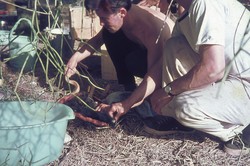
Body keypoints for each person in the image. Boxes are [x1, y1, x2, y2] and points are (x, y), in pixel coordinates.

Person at [97, 0, 250, 156]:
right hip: (228, 75)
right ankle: (181, 119)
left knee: (183, 107)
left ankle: (244, 129)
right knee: (173, 46)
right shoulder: (188, 14)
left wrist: (168, 91)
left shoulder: (206, 4)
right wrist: (127, 104)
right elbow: (160, 66)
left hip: (245, 84)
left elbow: (212, 69)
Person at [65, 0, 174, 92]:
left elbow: (154, 74)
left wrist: (128, 104)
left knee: (134, 63)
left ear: (121, 12)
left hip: (169, 68)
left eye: (104, 18)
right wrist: (74, 59)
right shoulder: (123, 15)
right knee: (109, 34)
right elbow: (97, 40)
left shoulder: (150, 29)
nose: (101, 23)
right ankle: (128, 87)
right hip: (147, 55)